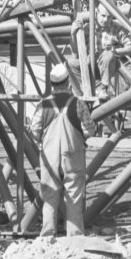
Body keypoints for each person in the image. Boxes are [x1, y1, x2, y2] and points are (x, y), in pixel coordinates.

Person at [28, 63, 96, 237]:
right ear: (68, 83)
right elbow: (89, 130)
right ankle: (75, 238)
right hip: (72, 156)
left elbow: (34, 131)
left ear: (52, 84)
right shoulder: (78, 104)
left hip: (49, 158)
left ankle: (47, 236)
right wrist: (78, 139)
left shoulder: (43, 105)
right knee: (73, 196)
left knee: (50, 196)